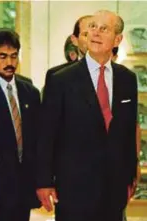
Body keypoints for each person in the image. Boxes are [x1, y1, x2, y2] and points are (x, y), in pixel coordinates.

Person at [37, 10, 138, 221]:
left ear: (117, 39)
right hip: (74, 188)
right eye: (93, 27)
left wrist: (131, 176)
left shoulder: (127, 79)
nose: (96, 33)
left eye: (104, 29)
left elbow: (128, 131)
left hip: (115, 189)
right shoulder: (61, 80)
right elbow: (46, 135)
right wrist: (44, 182)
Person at [0, 28, 41, 221]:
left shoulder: (30, 91)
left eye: (14, 56)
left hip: (24, 184)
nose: (10, 63)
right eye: (2, 56)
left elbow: (37, 138)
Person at [44, 15, 92, 86]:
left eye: (97, 35)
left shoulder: (113, 72)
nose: (93, 39)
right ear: (74, 40)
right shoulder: (56, 76)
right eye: (86, 35)